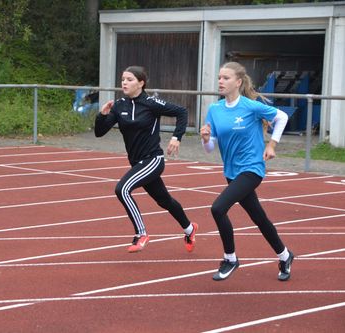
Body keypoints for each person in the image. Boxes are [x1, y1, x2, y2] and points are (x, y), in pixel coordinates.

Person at [200, 61, 294, 281]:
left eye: (226, 78)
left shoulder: (250, 106)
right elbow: (209, 149)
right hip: (231, 172)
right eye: (219, 77)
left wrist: (271, 144)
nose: (220, 81)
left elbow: (282, 117)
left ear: (238, 82)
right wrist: (206, 139)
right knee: (258, 217)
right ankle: (285, 255)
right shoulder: (214, 110)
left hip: (252, 169)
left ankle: (230, 259)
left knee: (218, 208)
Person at [95, 65, 198, 253]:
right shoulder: (119, 106)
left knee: (122, 189)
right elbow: (99, 133)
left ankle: (141, 234)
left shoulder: (151, 103)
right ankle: (190, 229)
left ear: (141, 83)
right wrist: (102, 115)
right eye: (123, 79)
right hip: (137, 162)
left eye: (129, 79)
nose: (124, 83)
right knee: (164, 200)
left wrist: (177, 137)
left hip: (153, 159)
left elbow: (182, 112)